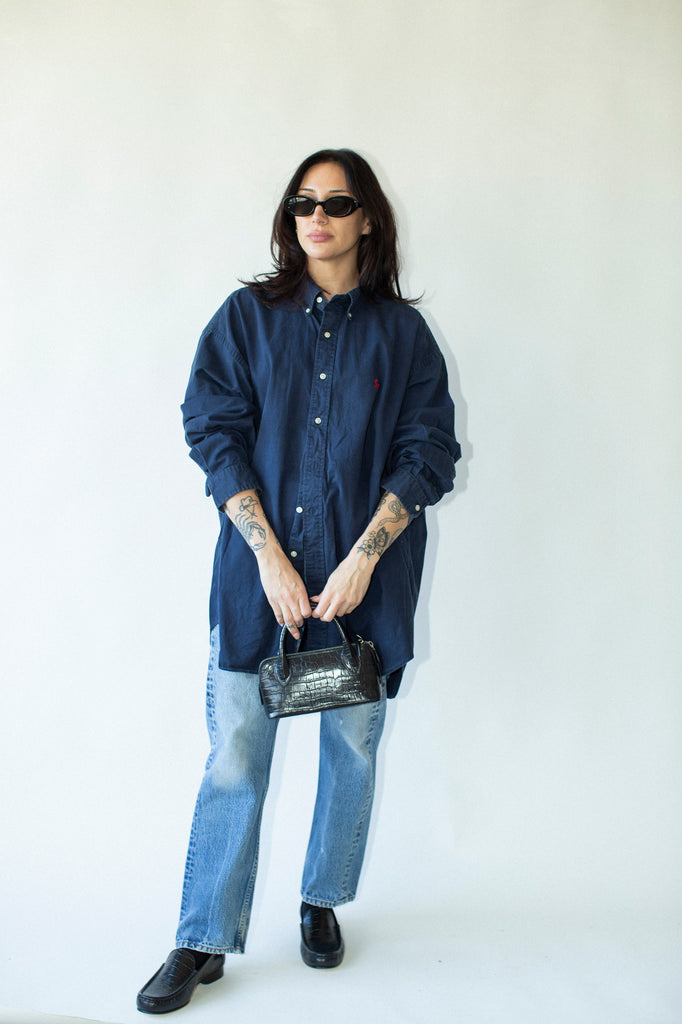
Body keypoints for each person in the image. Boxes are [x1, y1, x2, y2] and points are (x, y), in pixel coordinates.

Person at [137, 148, 461, 1014]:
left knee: (350, 750)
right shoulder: (246, 320)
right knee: (236, 757)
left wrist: (363, 558)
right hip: (259, 594)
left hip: (364, 596)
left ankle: (320, 901)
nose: (316, 215)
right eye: (301, 202)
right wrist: (270, 559)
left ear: (367, 220)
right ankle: (201, 937)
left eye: (337, 201)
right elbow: (211, 428)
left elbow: (429, 451)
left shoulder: (403, 337)